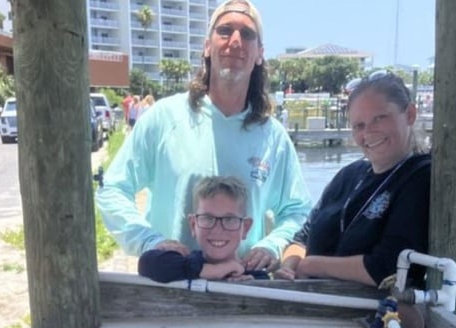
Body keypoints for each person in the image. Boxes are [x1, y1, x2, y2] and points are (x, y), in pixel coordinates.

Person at [95, 0, 311, 272]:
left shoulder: (274, 137)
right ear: (207, 46)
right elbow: (112, 189)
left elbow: (298, 211)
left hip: (242, 289)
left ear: (259, 54)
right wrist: (149, 240)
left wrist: (273, 244)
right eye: (224, 31)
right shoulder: (164, 117)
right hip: (171, 285)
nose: (235, 41)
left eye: (247, 34)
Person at [275, 72, 431, 287]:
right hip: (308, 297)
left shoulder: (420, 176)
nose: (369, 132)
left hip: (368, 310)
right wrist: (289, 265)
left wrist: (313, 265)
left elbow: (387, 267)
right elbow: (302, 236)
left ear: (410, 114)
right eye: (359, 125)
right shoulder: (350, 174)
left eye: (380, 118)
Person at [138, 175, 269, 283]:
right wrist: (215, 270)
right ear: (193, 225)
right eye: (207, 218)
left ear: (245, 228)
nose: (218, 230)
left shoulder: (255, 276)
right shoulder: (184, 261)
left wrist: (250, 285)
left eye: (229, 220)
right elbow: (146, 262)